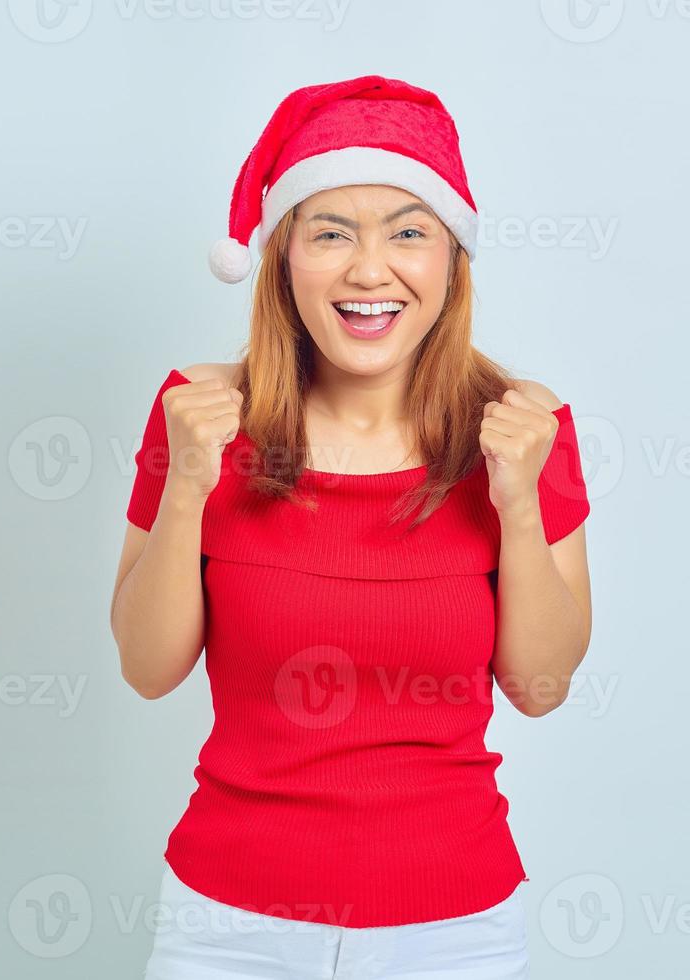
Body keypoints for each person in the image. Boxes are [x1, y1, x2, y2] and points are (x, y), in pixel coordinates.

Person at [111, 74, 593, 979]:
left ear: (451, 260)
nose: (369, 269)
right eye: (330, 233)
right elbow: (147, 669)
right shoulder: (198, 412)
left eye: (408, 231)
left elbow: (541, 684)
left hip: (454, 930)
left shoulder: (528, 427)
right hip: (228, 927)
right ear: (281, 256)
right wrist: (186, 485)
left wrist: (518, 501)